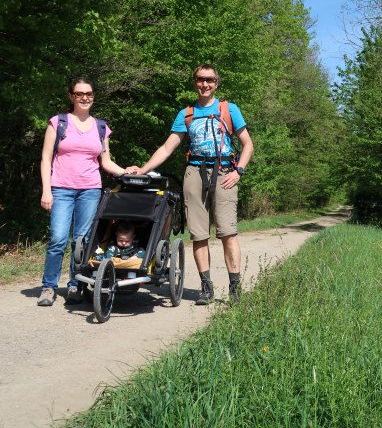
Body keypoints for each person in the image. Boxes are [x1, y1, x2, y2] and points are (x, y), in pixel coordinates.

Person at [134, 64, 254, 305]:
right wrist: (143, 169)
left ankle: (234, 288)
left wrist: (239, 171)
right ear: (195, 82)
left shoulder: (229, 109)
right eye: (200, 79)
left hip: (224, 173)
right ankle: (206, 287)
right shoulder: (186, 114)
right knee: (199, 234)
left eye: (210, 80)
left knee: (227, 233)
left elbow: (247, 144)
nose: (205, 84)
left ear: (216, 83)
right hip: (194, 173)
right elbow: (168, 147)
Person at [38, 77, 133, 306]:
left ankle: (75, 285)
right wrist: (46, 191)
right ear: (71, 96)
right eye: (80, 94)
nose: (85, 98)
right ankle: (49, 287)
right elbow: (45, 158)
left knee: (82, 241)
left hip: (90, 190)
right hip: (61, 188)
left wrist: (126, 171)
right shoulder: (58, 122)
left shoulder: (101, 127)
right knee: (58, 239)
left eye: (89, 94)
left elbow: (106, 162)